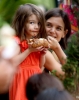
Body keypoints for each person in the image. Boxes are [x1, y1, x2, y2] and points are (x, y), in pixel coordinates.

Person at [9, 3, 64, 100]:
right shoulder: (17, 42)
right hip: (21, 80)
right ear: (22, 22)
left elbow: (39, 66)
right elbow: (13, 62)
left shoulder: (37, 42)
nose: (36, 27)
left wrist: (42, 54)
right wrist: (29, 50)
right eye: (32, 23)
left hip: (35, 79)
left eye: (39, 23)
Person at [44, 8, 71, 73]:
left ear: (64, 33)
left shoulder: (54, 51)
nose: (52, 31)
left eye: (58, 28)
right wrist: (57, 48)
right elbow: (72, 75)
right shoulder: (42, 51)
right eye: (48, 25)